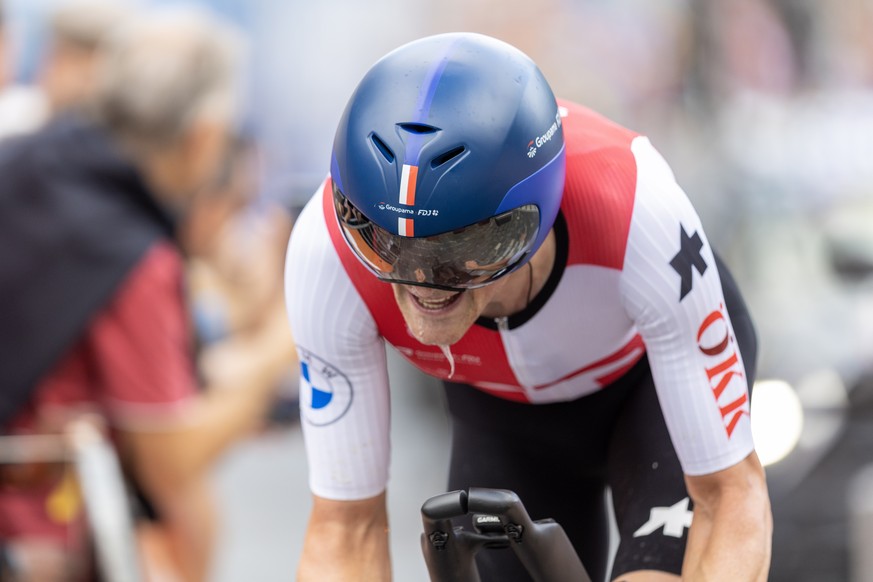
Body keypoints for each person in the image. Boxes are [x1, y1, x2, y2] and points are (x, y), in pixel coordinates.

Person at [284, 33, 772, 581]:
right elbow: (344, 528)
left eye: (460, 250)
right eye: (387, 245)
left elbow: (729, 496)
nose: (423, 284)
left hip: (647, 388)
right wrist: (443, 256)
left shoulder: (636, 208)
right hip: (503, 413)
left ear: (533, 216)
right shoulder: (325, 249)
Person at [0, 7, 291, 582]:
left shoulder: (25, 159)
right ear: (203, 138)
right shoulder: (132, 256)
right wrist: (289, 337)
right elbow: (172, 462)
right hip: (31, 533)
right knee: (186, 526)